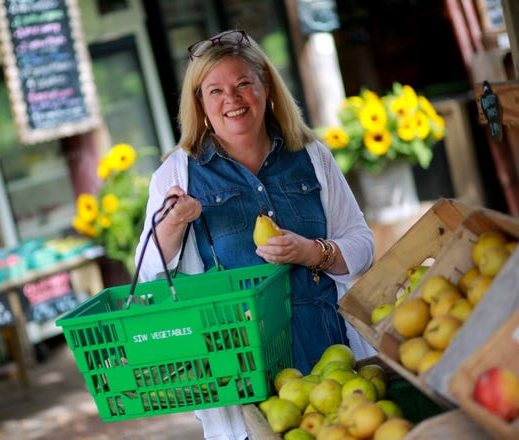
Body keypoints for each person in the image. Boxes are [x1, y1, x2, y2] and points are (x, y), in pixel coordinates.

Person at [134, 29, 375, 440]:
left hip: (332, 361)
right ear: (200, 104)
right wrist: (172, 223)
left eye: (244, 82)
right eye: (216, 90)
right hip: (244, 383)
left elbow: (362, 246)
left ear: (266, 85)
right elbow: (149, 278)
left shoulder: (312, 157)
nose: (233, 99)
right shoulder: (177, 174)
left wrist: (311, 251)